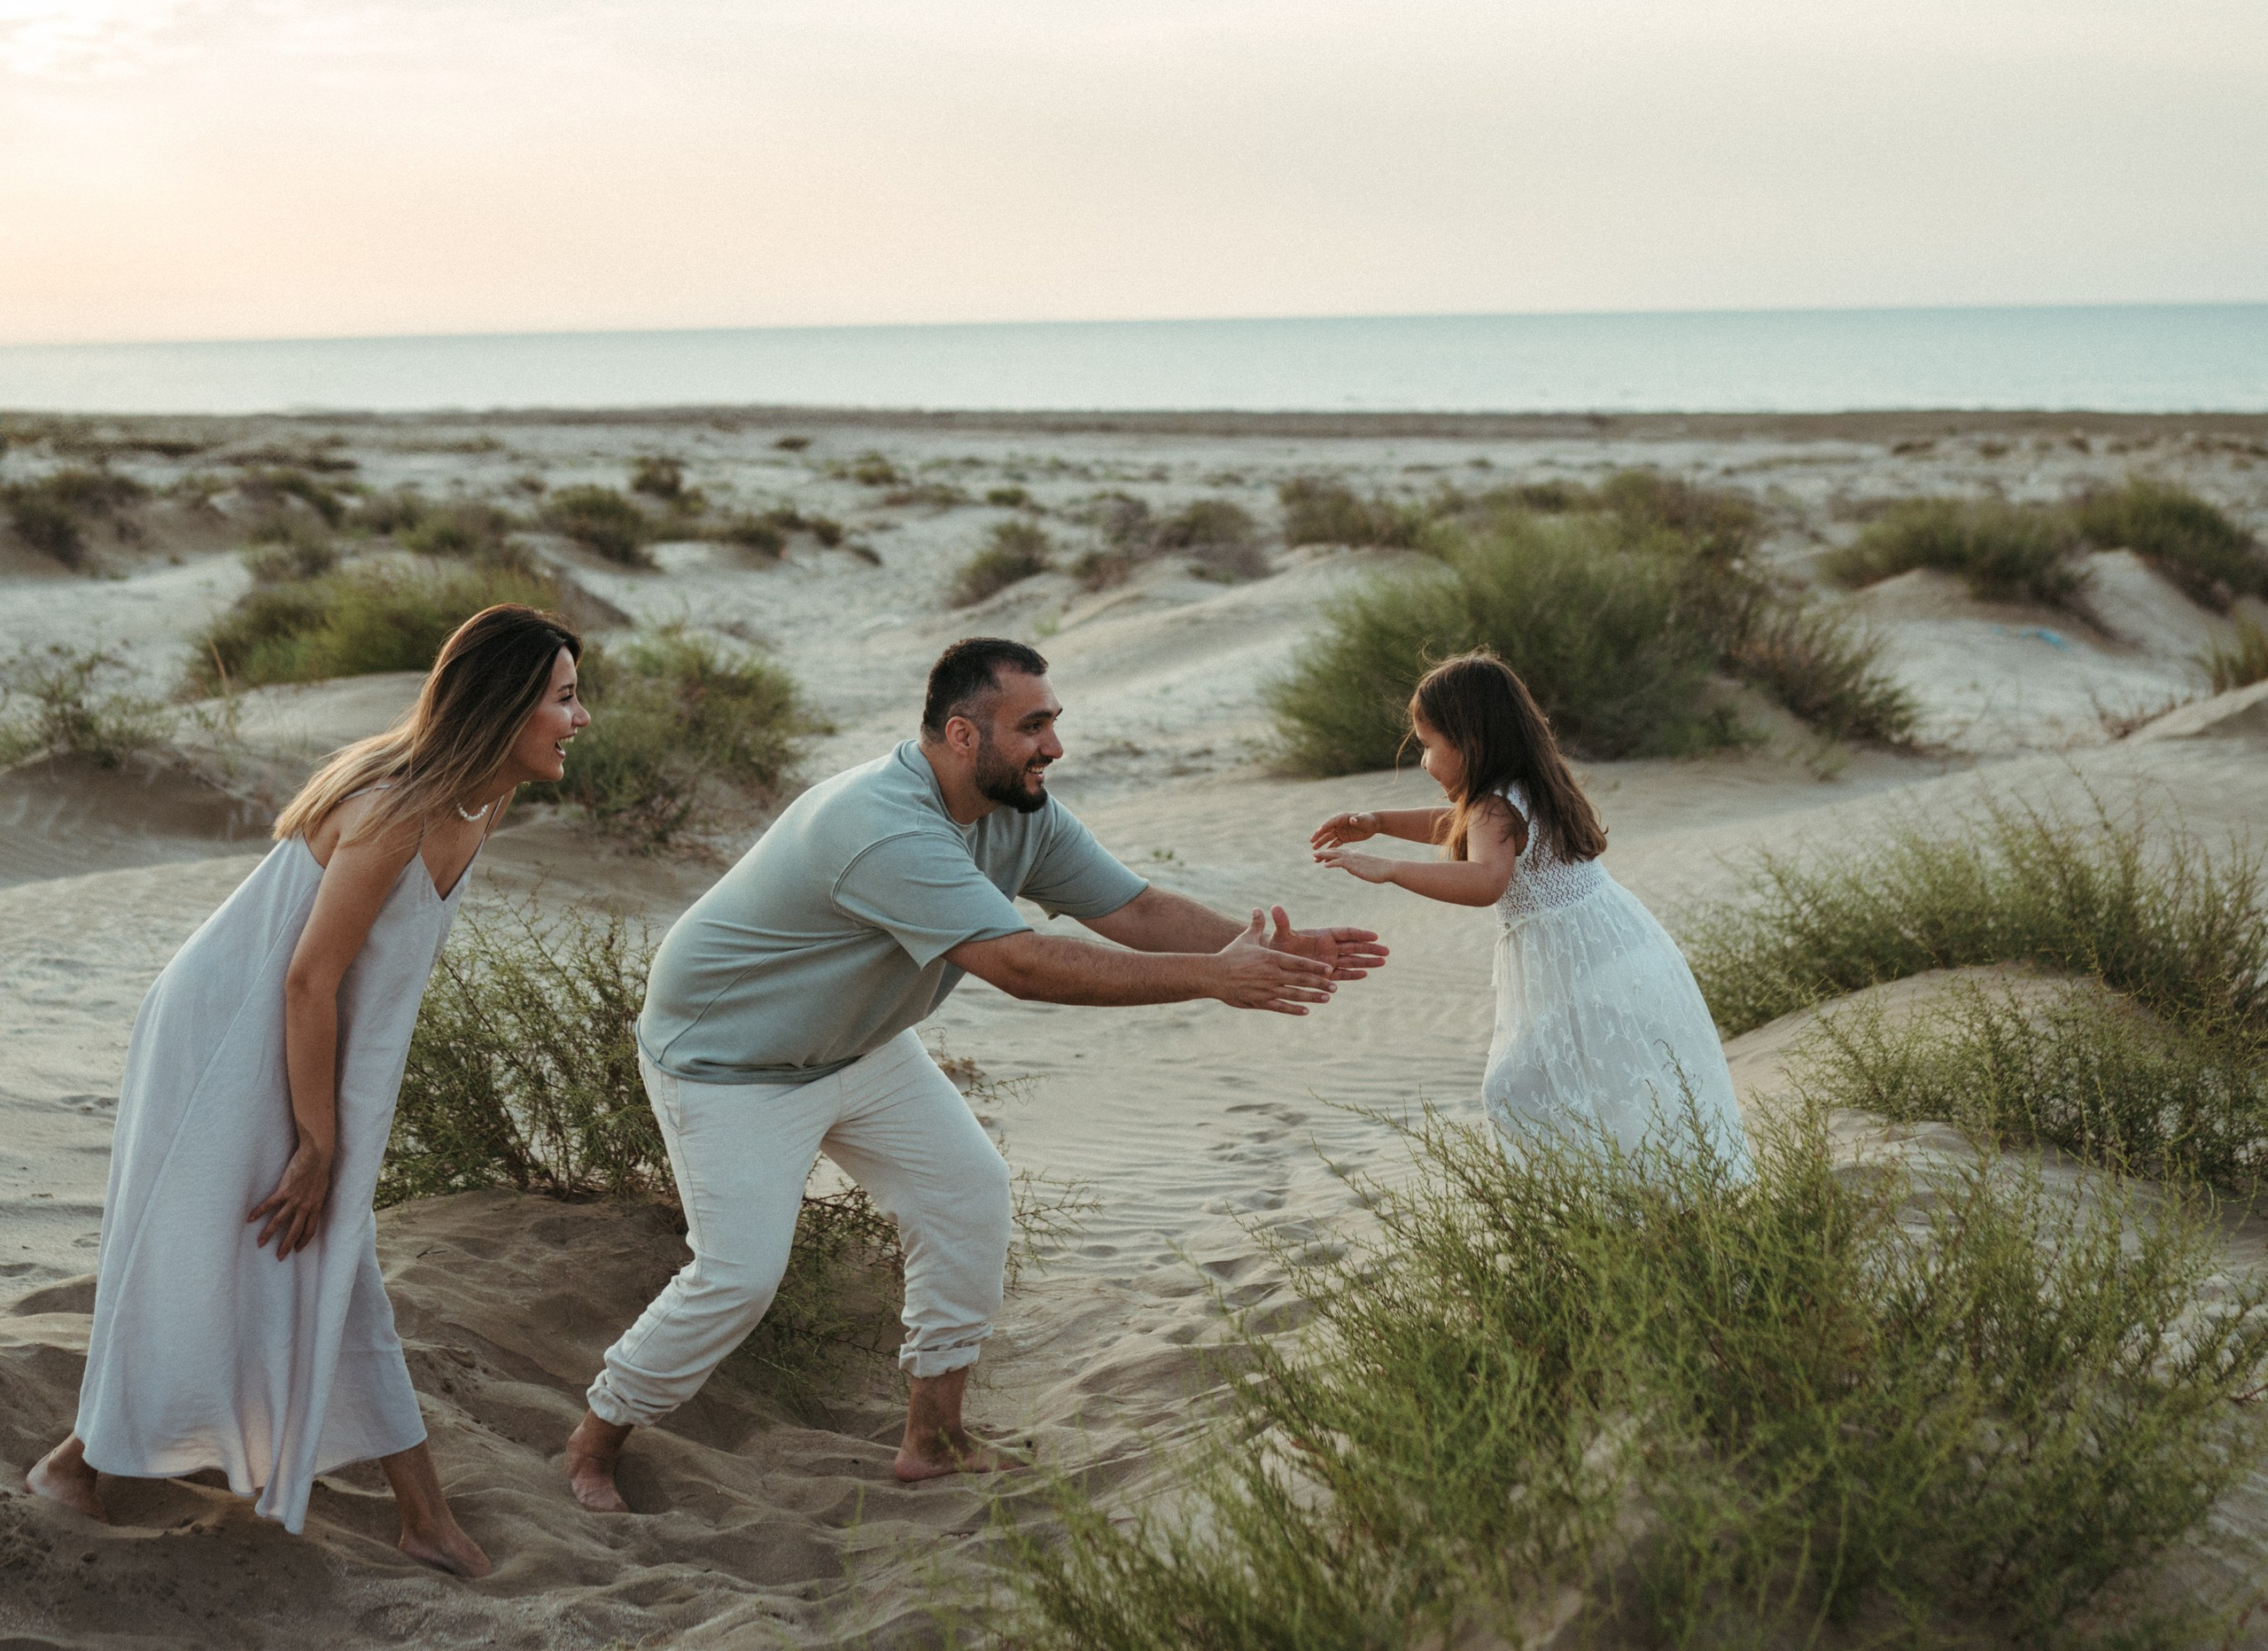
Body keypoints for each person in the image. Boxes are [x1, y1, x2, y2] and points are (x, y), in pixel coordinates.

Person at [565, 634, 1390, 1505]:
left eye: (1054, 723)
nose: (1055, 748)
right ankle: (594, 1443)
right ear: (963, 736)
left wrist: (1260, 945)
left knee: (967, 1197)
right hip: (729, 1064)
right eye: (1032, 726)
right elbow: (1021, 967)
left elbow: (1135, 909)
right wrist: (1215, 978)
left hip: (862, 1042)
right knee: (738, 1276)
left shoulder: (1018, 809)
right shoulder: (880, 825)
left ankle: (934, 1439)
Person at [27, 604, 592, 1573]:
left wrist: (341, 1118)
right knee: (232, 1242)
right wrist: (319, 1141)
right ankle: (77, 1466)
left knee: (317, 1251)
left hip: (302, 1038)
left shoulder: (481, 799)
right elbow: (307, 978)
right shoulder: (399, 809)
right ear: (503, 708)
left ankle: (416, 1516)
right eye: (565, 698)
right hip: (228, 1032)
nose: (581, 720)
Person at [1310, 650, 1751, 1176]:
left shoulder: (1497, 804)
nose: (1424, 761)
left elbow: (1484, 881)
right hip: (1606, 945)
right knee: (1601, 1082)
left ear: (1470, 743)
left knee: (1515, 1090)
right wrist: (1379, 820)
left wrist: (1388, 867)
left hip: (1576, 960)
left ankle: (1606, 1204)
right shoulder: (1522, 786)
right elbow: (1459, 825)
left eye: (1428, 746)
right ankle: (1638, 1198)